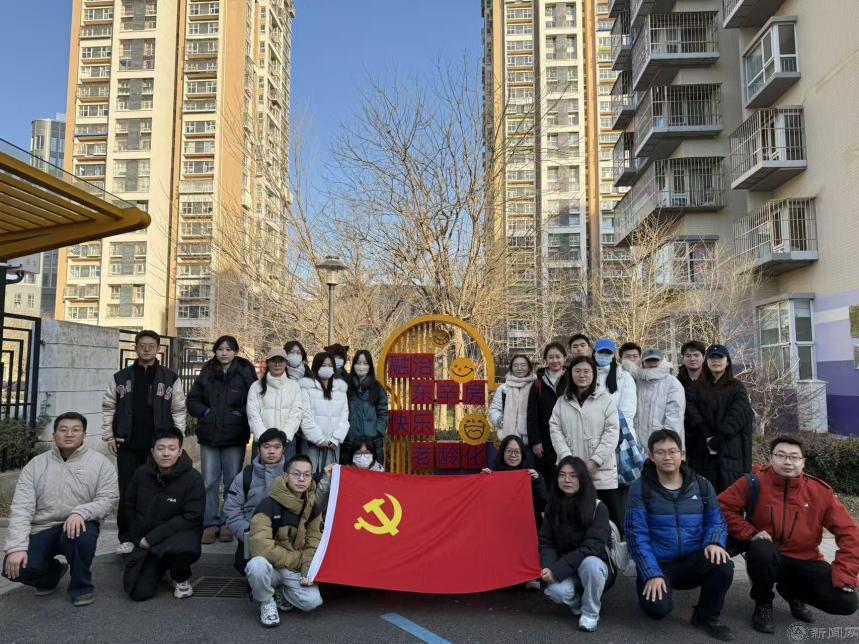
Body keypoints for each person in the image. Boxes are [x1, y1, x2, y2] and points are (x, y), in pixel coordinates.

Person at [719, 435, 859, 633]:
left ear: (803, 462)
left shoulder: (820, 492)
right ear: (771, 458)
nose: (787, 461)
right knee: (761, 551)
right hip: (767, 555)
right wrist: (750, 533)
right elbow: (721, 507)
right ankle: (763, 602)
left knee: (847, 602)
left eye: (794, 457)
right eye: (781, 455)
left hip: (805, 559)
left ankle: (792, 591)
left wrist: (845, 573)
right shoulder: (752, 482)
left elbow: (850, 532)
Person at [625, 429, 734, 641]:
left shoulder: (702, 485)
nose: (667, 457)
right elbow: (635, 536)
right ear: (651, 456)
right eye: (660, 452)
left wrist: (714, 541)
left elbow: (717, 521)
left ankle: (706, 616)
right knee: (657, 609)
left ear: (682, 454)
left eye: (672, 451)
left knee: (723, 564)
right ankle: (652, 589)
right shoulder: (640, 489)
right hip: (660, 564)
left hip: (693, 560)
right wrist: (651, 573)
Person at [2, 412, 118, 607]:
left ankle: (81, 586)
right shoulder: (36, 465)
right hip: (42, 528)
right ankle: (51, 574)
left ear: (84, 435)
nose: (69, 434)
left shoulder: (100, 463)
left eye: (76, 430)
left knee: (82, 537)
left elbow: (108, 500)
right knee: (14, 568)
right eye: (63, 430)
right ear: (54, 435)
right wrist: (16, 547)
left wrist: (81, 512)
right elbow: (22, 508)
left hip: (79, 525)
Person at [102, 329, 186, 555]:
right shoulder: (121, 377)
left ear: (158, 348)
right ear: (136, 348)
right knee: (128, 491)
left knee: (158, 491)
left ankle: (154, 536)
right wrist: (109, 436)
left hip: (159, 447)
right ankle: (127, 537)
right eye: (142, 345)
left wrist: (177, 440)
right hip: (127, 444)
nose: (147, 349)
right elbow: (109, 407)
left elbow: (178, 409)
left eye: (151, 346)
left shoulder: (170, 378)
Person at [224, 428, 333, 576]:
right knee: (249, 566)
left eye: (277, 447)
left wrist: (327, 480)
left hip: (289, 539)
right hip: (254, 534)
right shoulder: (245, 477)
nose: (271, 451)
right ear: (258, 449)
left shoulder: (295, 473)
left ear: (283, 450)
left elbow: (312, 504)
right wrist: (250, 533)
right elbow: (232, 511)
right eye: (266, 447)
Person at [187, 335, 258, 545]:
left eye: (228, 349)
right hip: (209, 435)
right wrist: (205, 412)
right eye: (220, 349)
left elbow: (254, 399)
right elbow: (193, 399)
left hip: (234, 436)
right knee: (209, 481)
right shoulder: (207, 370)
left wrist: (238, 415)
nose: (224, 353)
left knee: (232, 481)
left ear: (235, 351)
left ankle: (228, 522)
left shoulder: (245, 371)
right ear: (215, 351)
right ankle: (210, 523)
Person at [122, 428, 204, 602]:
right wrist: (137, 536)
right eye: (160, 448)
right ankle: (162, 570)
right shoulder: (141, 474)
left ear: (180, 451)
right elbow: (129, 506)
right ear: (152, 451)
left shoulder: (193, 478)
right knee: (138, 592)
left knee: (181, 550)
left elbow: (191, 517)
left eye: (172, 448)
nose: (166, 453)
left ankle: (180, 576)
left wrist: (152, 538)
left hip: (178, 536)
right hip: (148, 539)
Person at [246, 454, 324, 627]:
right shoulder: (268, 505)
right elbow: (261, 547)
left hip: (294, 569)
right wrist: (297, 560)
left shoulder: (313, 506)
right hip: (272, 567)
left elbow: (314, 543)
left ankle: (281, 592)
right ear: (286, 476)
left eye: (307, 475)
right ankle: (267, 602)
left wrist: (307, 571)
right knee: (256, 565)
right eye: (296, 474)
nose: (301, 479)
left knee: (312, 602)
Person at [540, 456, 616, 632]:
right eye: (562, 475)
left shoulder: (598, 507)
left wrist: (557, 570)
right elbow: (546, 542)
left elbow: (592, 548)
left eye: (573, 476)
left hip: (596, 567)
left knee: (590, 564)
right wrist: (549, 569)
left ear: (582, 478)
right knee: (554, 591)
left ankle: (590, 613)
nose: (567, 480)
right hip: (566, 567)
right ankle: (578, 605)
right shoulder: (552, 507)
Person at [549, 356, 622, 534]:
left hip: (601, 471)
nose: (582, 375)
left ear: (594, 374)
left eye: (586, 371)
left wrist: (596, 461)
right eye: (577, 371)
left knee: (608, 520)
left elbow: (612, 431)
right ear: (570, 374)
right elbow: (555, 430)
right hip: (571, 472)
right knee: (576, 520)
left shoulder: (605, 399)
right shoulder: (562, 401)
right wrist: (568, 460)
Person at [685, 344, 754, 493]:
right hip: (702, 455)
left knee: (728, 500)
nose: (716, 361)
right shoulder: (695, 388)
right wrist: (707, 435)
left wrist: (719, 439)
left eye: (720, 357)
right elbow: (691, 413)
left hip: (731, 455)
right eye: (712, 357)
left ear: (727, 361)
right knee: (704, 498)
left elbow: (737, 416)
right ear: (706, 362)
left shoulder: (736, 387)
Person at [246, 347, 303, 461]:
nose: (277, 364)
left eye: (280, 361)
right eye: (273, 360)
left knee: (286, 471)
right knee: (259, 471)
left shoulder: (294, 386)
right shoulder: (256, 386)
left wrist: (284, 437)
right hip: (262, 442)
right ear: (267, 363)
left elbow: (296, 413)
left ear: (286, 363)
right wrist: (264, 438)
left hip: (286, 442)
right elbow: (253, 414)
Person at [481, 435, 547, 530]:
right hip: (499, 527)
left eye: (517, 452)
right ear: (502, 452)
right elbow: (484, 505)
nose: (513, 455)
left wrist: (538, 482)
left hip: (526, 528)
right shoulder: (492, 474)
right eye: (509, 451)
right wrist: (483, 481)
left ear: (522, 454)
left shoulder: (532, 475)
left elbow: (544, 504)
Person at [624, 348, 685, 449]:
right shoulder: (637, 382)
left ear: (662, 361)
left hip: (664, 445)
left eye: (655, 360)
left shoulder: (672, 383)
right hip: (639, 445)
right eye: (648, 360)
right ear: (643, 363)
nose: (652, 363)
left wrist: (664, 444)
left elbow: (674, 419)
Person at [299, 352, 350, 474]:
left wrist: (336, 439)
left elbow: (344, 417)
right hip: (312, 444)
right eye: (323, 365)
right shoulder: (307, 389)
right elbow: (305, 417)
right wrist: (318, 439)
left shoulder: (340, 390)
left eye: (330, 365)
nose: (327, 368)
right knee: (309, 475)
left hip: (333, 445)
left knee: (330, 477)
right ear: (316, 367)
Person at [527, 342, 569, 483]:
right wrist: (535, 441)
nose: (555, 360)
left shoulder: (572, 380)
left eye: (558, 357)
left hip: (568, 436)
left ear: (564, 358)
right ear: (545, 359)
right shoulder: (537, 383)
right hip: (545, 440)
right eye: (551, 357)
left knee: (568, 473)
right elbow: (532, 414)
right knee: (547, 478)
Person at [344, 350, 389, 465]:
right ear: (353, 364)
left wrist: (377, 432)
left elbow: (383, 413)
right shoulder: (346, 387)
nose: (361, 366)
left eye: (365, 363)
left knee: (373, 473)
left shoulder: (377, 388)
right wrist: (346, 434)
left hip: (372, 442)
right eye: (358, 363)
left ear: (370, 366)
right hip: (350, 441)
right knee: (350, 473)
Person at [488, 354, 537, 443]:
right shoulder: (503, 389)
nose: (519, 368)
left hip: (532, 440)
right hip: (508, 440)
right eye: (515, 365)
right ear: (511, 368)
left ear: (529, 368)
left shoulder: (536, 387)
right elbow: (494, 410)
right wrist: (502, 422)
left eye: (523, 365)